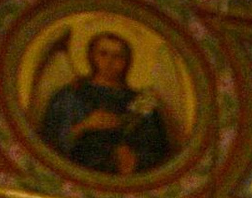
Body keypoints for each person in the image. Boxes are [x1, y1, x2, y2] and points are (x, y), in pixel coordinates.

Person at [36, 29, 176, 180]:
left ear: (128, 61)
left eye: (118, 56)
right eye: (103, 54)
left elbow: (159, 152)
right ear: (91, 56)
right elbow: (47, 143)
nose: (109, 62)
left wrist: (134, 159)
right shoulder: (70, 95)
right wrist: (84, 125)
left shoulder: (142, 102)